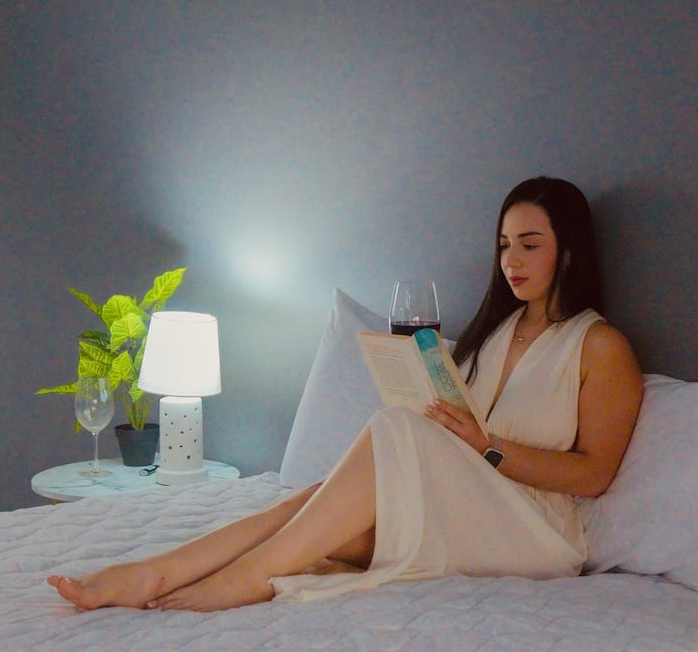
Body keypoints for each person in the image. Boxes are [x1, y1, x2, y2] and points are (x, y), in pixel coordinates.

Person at [48, 176, 644, 613]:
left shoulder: (600, 346)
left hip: (534, 532)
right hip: (468, 501)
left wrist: (486, 446)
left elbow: (594, 475)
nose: (512, 260)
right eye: (505, 245)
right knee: (312, 505)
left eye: (530, 244)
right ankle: (153, 573)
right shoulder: (499, 331)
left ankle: (249, 578)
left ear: (568, 250)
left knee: (393, 430)